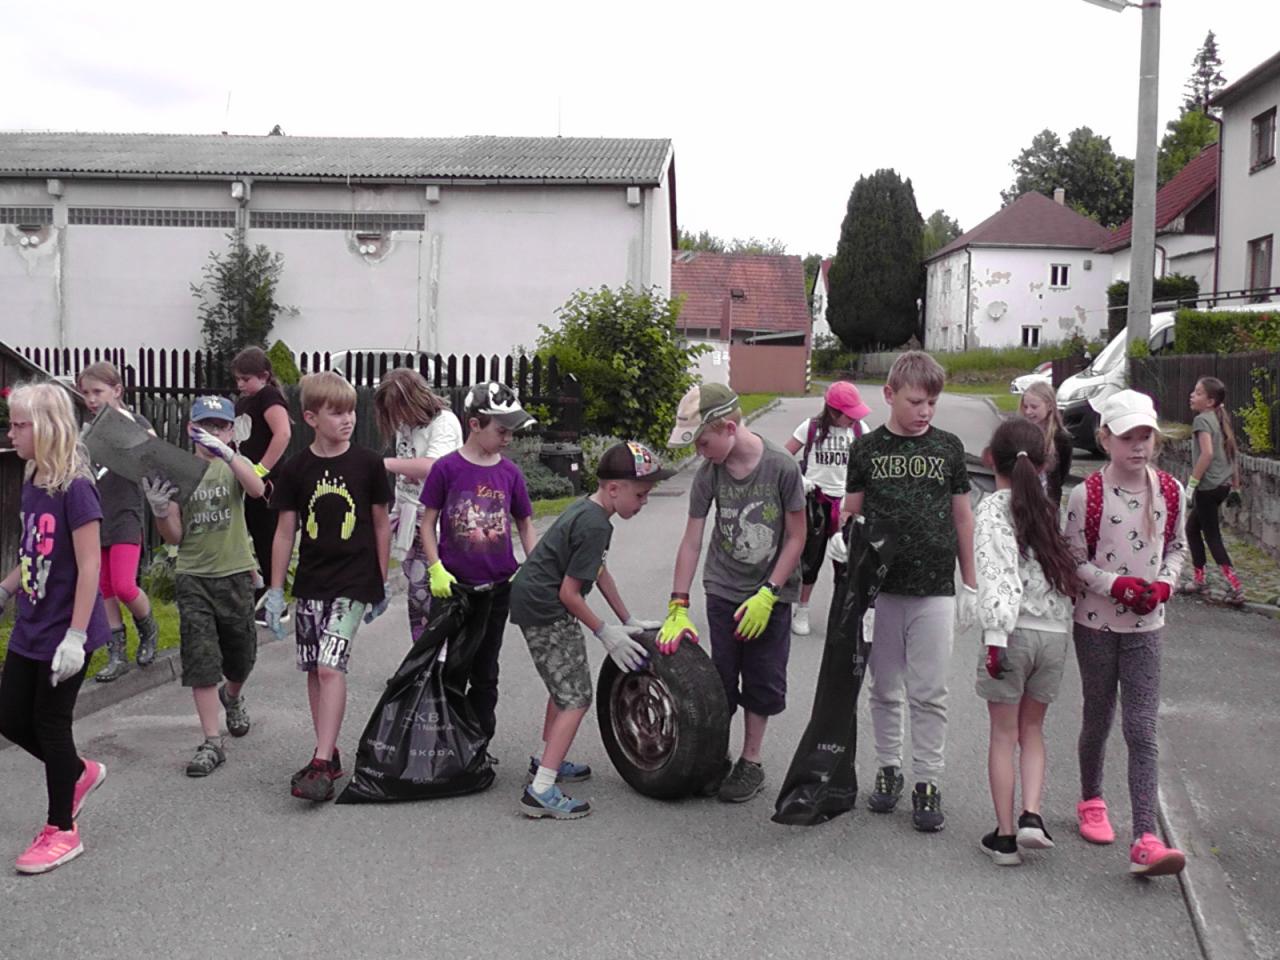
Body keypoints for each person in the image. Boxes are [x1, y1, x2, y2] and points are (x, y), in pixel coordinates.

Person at [841, 351, 976, 832]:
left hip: (934, 588)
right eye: (916, 402)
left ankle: (928, 780)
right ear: (889, 395)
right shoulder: (867, 450)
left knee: (931, 691)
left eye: (932, 403)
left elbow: (963, 517)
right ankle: (888, 767)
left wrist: (970, 583)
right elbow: (851, 511)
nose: (925, 411)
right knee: (884, 688)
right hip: (881, 590)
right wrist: (844, 539)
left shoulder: (948, 448)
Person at [660, 383, 806, 804]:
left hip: (768, 596)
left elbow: (797, 536)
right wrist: (678, 603)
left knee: (762, 679)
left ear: (727, 428)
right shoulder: (709, 474)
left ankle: (751, 761)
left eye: (703, 442)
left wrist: (769, 592)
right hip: (723, 590)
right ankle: (716, 757)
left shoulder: (780, 467)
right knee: (719, 680)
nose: (699, 451)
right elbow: (692, 540)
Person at [509, 441, 670, 819]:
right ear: (614, 488)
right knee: (576, 697)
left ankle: (545, 758)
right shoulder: (595, 524)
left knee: (563, 686)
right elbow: (569, 594)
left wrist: (627, 618)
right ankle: (541, 790)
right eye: (640, 494)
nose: (644, 502)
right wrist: (604, 632)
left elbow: (596, 570)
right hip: (546, 608)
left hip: (537, 601)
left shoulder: (590, 510)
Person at [1064, 389, 1187, 877]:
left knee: (1142, 727)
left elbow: (1177, 547)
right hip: (1095, 625)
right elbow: (1074, 560)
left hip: (1146, 627)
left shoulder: (1171, 491)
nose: (1138, 446)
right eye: (1127, 437)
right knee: (1098, 716)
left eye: (1145, 437)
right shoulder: (1087, 495)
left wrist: (1165, 584)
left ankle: (1145, 836)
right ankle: (1092, 798)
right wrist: (1115, 585)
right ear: (1105, 439)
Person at [264, 372, 392, 803]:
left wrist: (380, 580)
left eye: (351, 411)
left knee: (330, 666)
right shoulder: (296, 469)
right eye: (336, 412)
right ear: (311, 418)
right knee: (314, 669)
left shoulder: (369, 464)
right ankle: (328, 750)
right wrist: (276, 590)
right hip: (312, 582)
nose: (347, 419)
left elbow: (380, 524)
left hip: (354, 581)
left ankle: (320, 762)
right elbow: (285, 532)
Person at [0, 383, 111, 874]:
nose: (11, 434)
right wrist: (6, 590)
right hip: (31, 623)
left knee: (50, 722)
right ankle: (76, 772)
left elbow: (90, 566)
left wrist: (76, 636)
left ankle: (62, 829)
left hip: (67, 629)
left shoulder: (76, 487)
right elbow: (33, 552)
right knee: (9, 717)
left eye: (19, 425)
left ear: (46, 427)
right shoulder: (33, 478)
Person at [973, 418, 1080, 865]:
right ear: (1044, 463)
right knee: (1033, 730)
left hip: (1012, 633)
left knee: (1003, 735)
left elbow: (995, 573)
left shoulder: (991, 511)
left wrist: (995, 635)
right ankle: (1032, 815)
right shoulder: (1048, 510)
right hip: (1053, 636)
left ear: (990, 460)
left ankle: (1005, 837)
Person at [142, 396, 266, 777]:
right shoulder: (180, 471)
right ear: (190, 429)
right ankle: (212, 741)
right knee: (201, 659)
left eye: (220, 426)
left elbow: (257, 490)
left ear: (231, 431)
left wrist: (228, 454)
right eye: (205, 426)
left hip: (235, 573)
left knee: (242, 654)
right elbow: (175, 535)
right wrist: (160, 510)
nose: (213, 433)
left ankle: (233, 695)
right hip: (194, 576)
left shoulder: (234, 465)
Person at [419, 381, 535, 740]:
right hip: (455, 588)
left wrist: (533, 570)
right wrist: (435, 567)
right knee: (453, 667)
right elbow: (427, 523)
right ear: (474, 424)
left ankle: (480, 742)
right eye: (501, 431)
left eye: (512, 432)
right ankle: (449, 740)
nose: (508, 439)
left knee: (486, 671)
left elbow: (525, 524)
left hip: (497, 588)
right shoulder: (446, 469)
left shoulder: (510, 474)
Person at [76, 361, 161, 681]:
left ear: (117, 390)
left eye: (97, 392)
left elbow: (154, 453)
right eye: (86, 393)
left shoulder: (135, 421)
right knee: (105, 588)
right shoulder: (87, 430)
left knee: (125, 585)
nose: (91, 399)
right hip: (95, 516)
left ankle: (148, 629)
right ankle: (117, 652)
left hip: (126, 514)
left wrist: (123, 425)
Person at [373, 367, 464, 638]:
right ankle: (423, 654)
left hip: (435, 521)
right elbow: (407, 475)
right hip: (409, 519)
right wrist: (394, 517)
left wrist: (385, 464)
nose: (398, 417)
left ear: (413, 399)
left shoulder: (444, 422)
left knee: (428, 595)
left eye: (399, 408)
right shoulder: (406, 426)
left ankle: (436, 655)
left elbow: (432, 466)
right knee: (417, 597)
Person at [783, 380, 870, 637]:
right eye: (849, 414)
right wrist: (800, 480)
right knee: (810, 560)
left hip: (847, 506)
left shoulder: (860, 430)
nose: (854, 418)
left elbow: (869, 465)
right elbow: (783, 456)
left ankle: (843, 612)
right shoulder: (810, 428)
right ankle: (802, 609)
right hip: (816, 503)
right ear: (833, 410)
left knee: (846, 562)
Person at [231, 347, 292, 625]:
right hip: (248, 481)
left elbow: (283, 433)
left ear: (264, 376)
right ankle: (262, 589)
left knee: (268, 538)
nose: (240, 384)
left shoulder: (268, 397)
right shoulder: (246, 402)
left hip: (268, 483)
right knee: (252, 535)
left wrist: (261, 469)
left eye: (246, 379)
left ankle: (276, 600)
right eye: (238, 379)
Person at [1182, 376, 1244, 604]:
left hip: (1207, 488)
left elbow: (1207, 454)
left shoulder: (1202, 420)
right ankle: (1199, 580)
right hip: (1223, 486)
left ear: (1210, 401)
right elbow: (1232, 454)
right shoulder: (1219, 418)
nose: (1192, 395)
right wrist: (1236, 485)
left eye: (1198, 393)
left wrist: (1191, 485)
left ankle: (1235, 587)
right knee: (1191, 529)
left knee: (1212, 536)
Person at [1018, 380, 1073, 509]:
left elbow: (1063, 473)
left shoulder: (1061, 438)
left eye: (1034, 407)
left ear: (1049, 406)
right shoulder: (1020, 433)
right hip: (1024, 501)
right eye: (1025, 407)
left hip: (1049, 503)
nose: (1028, 411)